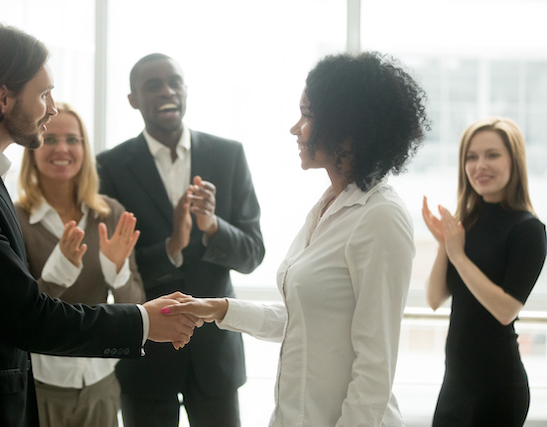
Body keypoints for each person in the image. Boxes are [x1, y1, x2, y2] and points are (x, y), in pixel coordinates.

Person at [0, 25, 196, 427]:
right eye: (43, 94)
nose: (53, 107)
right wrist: (143, 322)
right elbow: (27, 316)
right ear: (4, 98)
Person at [162, 51, 430, 426]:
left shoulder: (380, 217)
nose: (295, 128)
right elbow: (305, 320)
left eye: (307, 115)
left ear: (345, 129)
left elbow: (375, 367)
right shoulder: (327, 206)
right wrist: (220, 309)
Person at [96, 53, 265, 427]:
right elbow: (115, 264)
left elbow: (253, 254)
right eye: (152, 85)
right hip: (145, 353)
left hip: (215, 354)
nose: (166, 91)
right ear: (133, 99)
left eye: (174, 82)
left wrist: (211, 226)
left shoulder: (229, 154)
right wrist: (172, 245)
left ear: (186, 89)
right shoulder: (109, 165)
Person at [15, 101, 146, 427]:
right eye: (50, 138)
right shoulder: (16, 218)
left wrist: (117, 272)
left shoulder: (110, 213)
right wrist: (58, 273)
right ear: (32, 148)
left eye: (72, 139)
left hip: (100, 381)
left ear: (85, 149)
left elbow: (135, 306)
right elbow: (18, 315)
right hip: (41, 385)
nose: (62, 148)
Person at [422, 117, 547, 426]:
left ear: (513, 161)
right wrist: (444, 244)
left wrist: (458, 255)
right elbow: (435, 299)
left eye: (492, 154)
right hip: (455, 385)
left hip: (498, 389)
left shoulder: (529, 230)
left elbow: (505, 310)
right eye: (471, 156)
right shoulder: (467, 224)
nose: (480, 165)